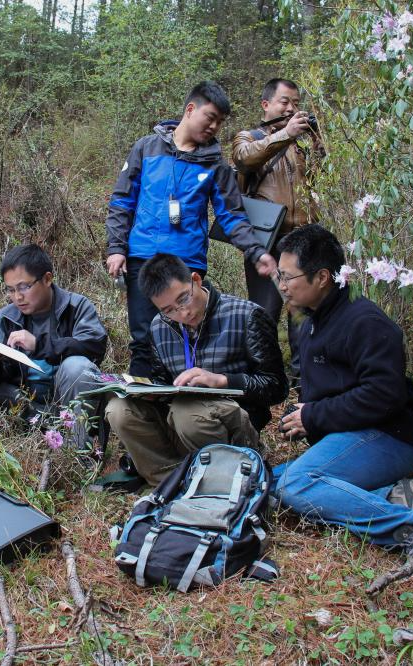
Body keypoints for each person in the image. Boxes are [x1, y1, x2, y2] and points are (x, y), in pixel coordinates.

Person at [269, 225, 413, 566]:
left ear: (322, 277)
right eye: (279, 276)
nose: (282, 286)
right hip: (347, 437)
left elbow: (383, 395)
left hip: (388, 439)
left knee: (295, 484)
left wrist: (313, 416)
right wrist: (306, 413)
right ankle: (391, 497)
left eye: (288, 277)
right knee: (268, 482)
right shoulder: (314, 322)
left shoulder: (364, 320)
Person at [105, 81, 277, 377]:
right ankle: (141, 409)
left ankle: (186, 406)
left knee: (186, 332)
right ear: (190, 109)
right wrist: (116, 248)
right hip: (142, 258)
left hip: (187, 264)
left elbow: (232, 216)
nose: (214, 127)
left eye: (220, 122)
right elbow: (122, 202)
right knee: (144, 339)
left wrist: (256, 251)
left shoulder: (216, 166)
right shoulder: (146, 148)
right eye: (210, 117)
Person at [104, 253, 288, 485]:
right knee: (119, 409)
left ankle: (222, 478)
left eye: (183, 299)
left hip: (231, 425)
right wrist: (148, 392)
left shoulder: (246, 315)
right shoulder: (159, 326)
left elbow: (277, 387)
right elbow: (163, 381)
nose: (182, 313)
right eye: (168, 309)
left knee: (188, 415)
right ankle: (169, 482)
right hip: (179, 420)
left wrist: (223, 381)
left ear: (196, 280)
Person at [0, 244, 108, 451]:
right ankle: (1, 455)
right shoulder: (6, 317)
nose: (17, 297)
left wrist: (40, 345)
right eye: (10, 290)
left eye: (23, 287)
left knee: (77, 368)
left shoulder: (76, 307)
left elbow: (94, 346)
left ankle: (79, 455)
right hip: (26, 405)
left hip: (67, 407)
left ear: (47, 279)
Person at [231, 78, 326, 325]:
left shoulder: (299, 145)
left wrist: (318, 149)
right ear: (266, 104)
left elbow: (314, 184)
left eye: (296, 103)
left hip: (302, 240)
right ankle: (264, 365)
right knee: (265, 314)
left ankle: (303, 364)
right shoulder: (248, 137)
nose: (291, 108)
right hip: (267, 242)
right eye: (284, 102)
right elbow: (244, 159)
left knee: (304, 314)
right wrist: (286, 134)